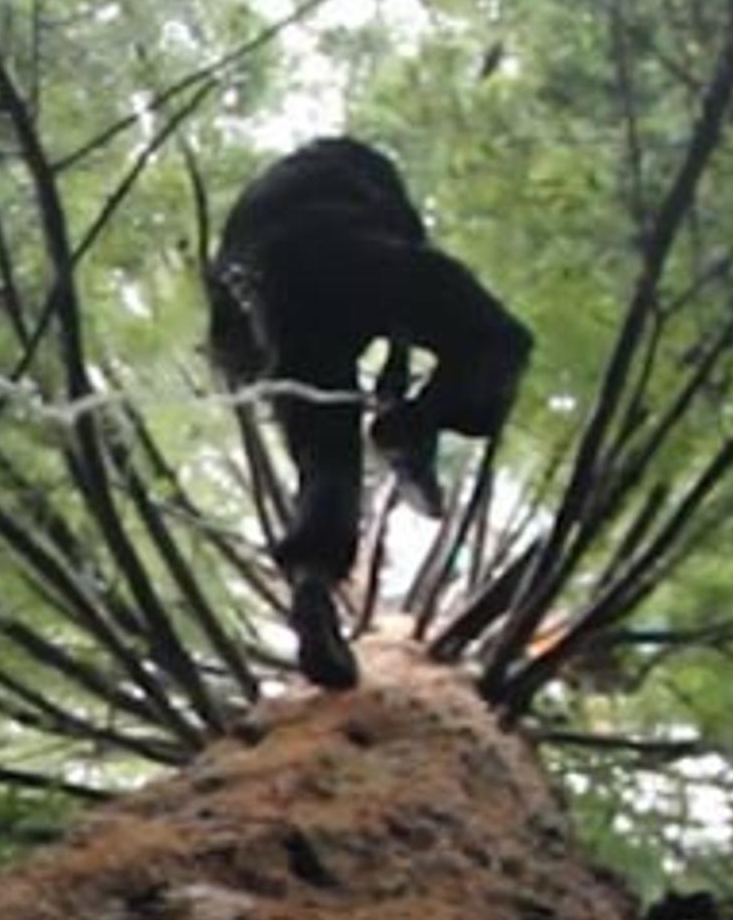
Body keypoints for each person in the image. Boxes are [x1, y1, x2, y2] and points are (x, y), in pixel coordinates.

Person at [207, 137, 532, 689]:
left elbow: (230, 336)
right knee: (498, 342)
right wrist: (405, 403)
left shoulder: (260, 203)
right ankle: (412, 430)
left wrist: (260, 371)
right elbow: (403, 279)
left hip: (269, 287)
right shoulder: (364, 172)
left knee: (325, 454)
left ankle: (312, 577)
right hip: (347, 248)